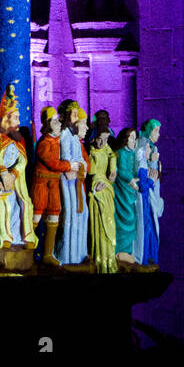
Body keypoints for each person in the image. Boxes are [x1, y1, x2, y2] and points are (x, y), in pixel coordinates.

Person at [0, 85, 37, 253]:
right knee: (6, 207)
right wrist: (3, 173)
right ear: (6, 120)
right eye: (15, 118)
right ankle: (5, 237)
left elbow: (22, 161)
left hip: (16, 182)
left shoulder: (17, 144)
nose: (18, 122)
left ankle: (23, 236)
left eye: (18, 118)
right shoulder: (0, 140)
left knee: (23, 205)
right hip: (2, 184)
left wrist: (14, 172)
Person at [31, 105, 77, 266]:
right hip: (42, 184)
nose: (58, 123)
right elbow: (52, 163)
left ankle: (48, 254)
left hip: (54, 184)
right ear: (47, 123)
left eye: (58, 120)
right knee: (36, 214)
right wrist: (69, 165)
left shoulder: (59, 140)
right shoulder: (45, 143)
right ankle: (30, 251)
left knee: (54, 214)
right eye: (54, 121)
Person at [54, 100, 89, 266]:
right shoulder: (65, 135)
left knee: (82, 214)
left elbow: (81, 158)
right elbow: (66, 158)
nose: (76, 118)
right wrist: (75, 165)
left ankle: (79, 253)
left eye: (77, 114)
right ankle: (66, 255)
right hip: (68, 181)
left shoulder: (74, 137)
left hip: (77, 181)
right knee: (70, 215)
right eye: (73, 114)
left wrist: (82, 165)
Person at [86, 116, 118, 274]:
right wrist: (95, 187)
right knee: (101, 224)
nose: (103, 143)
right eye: (100, 139)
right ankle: (100, 259)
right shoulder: (92, 151)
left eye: (106, 139)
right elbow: (91, 175)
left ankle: (109, 260)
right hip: (97, 189)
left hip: (107, 186)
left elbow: (112, 156)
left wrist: (113, 170)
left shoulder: (106, 149)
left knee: (110, 223)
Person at [136, 118, 163, 265]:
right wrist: (152, 180)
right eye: (156, 131)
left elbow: (153, 174)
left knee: (151, 229)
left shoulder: (152, 152)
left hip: (148, 199)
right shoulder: (142, 157)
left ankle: (150, 258)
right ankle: (145, 258)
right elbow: (144, 182)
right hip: (143, 200)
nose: (158, 135)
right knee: (146, 229)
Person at [113, 127, 139, 264]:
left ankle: (127, 251)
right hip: (122, 192)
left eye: (135, 138)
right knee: (124, 219)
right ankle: (119, 251)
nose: (134, 141)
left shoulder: (131, 154)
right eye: (131, 138)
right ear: (125, 139)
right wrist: (131, 180)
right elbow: (122, 171)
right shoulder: (121, 153)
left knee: (132, 220)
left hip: (130, 192)